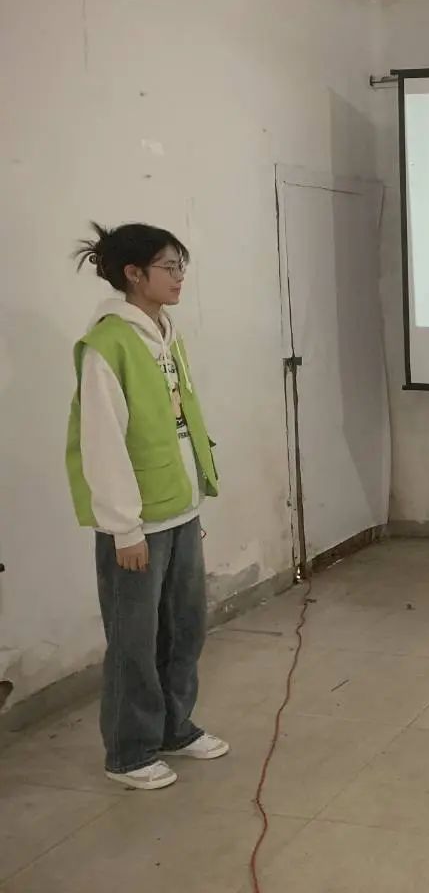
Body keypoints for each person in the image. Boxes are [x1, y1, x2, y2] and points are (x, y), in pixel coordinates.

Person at [66, 222, 226, 790]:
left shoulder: (165, 333)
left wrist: (194, 492)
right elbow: (103, 442)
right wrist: (124, 528)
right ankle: (130, 752)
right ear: (134, 274)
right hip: (136, 524)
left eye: (181, 266)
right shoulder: (108, 344)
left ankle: (173, 728)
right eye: (169, 267)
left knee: (183, 629)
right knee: (133, 639)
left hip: (179, 507)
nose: (180, 277)